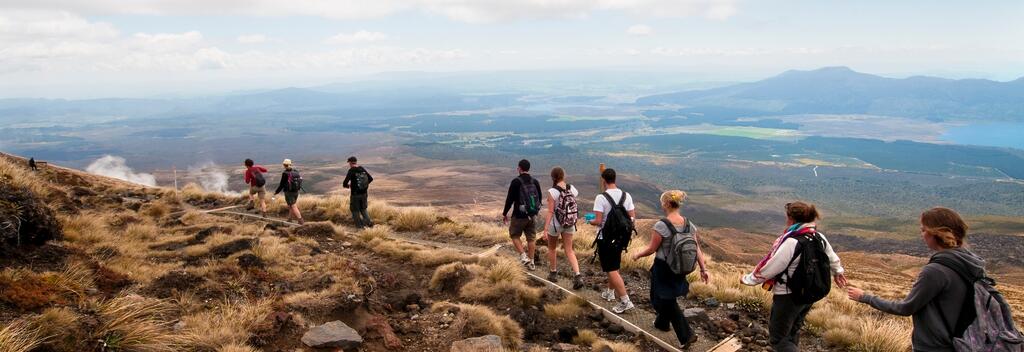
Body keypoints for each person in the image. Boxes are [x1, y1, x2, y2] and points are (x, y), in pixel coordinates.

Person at [847, 207, 986, 352]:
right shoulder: (971, 262)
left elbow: (905, 308)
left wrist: (865, 297)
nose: (922, 235)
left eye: (923, 230)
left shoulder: (936, 271)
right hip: (965, 342)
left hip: (935, 347)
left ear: (936, 233)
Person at [740, 201, 847, 352]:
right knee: (793, 330)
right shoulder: (818, 236)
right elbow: (832, 257)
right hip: (809, 293)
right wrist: (838, 272)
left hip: (788, 295)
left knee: (778, 339)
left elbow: (772, 267)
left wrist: (748, 279)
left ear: (791, 218)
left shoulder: (792, 241)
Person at [631, 190, 709, 348]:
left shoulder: (661, 225)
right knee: (666, 297)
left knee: (659, 298)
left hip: (664, 268)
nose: (661, 204)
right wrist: (703, 268)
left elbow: (652, 249)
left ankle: (686, 335)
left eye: (662, 202)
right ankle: (662, 323)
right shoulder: (688, 224)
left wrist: (637, 255)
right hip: (681, 268)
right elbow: (696, 247)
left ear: (666, 204)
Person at [587, 168, 636, 314]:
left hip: (605, 238)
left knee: (611, 269)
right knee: (614, 266)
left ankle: (625, 301)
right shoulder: (626, 196)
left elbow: (598, 221)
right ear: (615, 179)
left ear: (603, 181)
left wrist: (590, 221)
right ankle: (609, 292)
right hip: (621, 238)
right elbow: (632, 218)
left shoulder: (601, 198)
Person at [542, 166, 584, 289]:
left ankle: (553, 273)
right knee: (569, 250)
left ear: (552, 177)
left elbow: (550, 212)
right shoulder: (572, 189)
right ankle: (578, 275)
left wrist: (545, 229)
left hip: (555, 225)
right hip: (570, 223)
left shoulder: (552, 191)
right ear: (563, 176)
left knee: (552, 248)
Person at [502, 159, 543, 271]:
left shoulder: (516, 181)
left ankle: (523, 256)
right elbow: (539, 198)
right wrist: (534, 212)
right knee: (531, 238)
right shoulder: (535, 181)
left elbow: (509, 199)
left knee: (514, 235)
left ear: (519, 168)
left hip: (519, 215)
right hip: (532, 215)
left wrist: (505, 213)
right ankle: (532, 262)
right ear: (528, 168)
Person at [342, 156, 374, 229]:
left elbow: (344, 183)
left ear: (350, 162)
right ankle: (369, 223)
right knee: (363, 209)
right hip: (364, 194)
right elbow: (371, 179)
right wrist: (363, 185)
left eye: (349, 163)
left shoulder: (351, 170)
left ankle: (360, 228)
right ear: (356, 162)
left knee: (355, 210)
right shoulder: (362, 168)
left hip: (355, 195)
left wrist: (349, 185)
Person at [272, 159, 305, 225]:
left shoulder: (285, 173)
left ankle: (301, 220)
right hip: (296, 191)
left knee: (293, 206)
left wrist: (276, 192)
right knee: (290, 205)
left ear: (284, 165)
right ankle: (290, 219)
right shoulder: (295, 171)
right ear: (290, 164)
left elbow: (281, 184)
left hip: (288, 192)